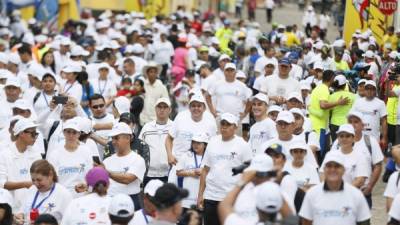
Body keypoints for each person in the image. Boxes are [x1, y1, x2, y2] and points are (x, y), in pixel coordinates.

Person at [198, 113, 252, 225]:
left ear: (235, 127)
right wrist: (200, 195)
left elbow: (249, 172)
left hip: (232, 198)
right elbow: (205, 170)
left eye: (228, 124)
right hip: (211, 196)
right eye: (223, 123)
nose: (224, 127)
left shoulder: (243, 145)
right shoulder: (212, 142)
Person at [299, 151, 371, 225]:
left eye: (337, 166)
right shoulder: (312, 194)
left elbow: (364, 222)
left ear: (343, 170)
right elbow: (306, 221)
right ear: (324, 169)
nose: (333, 169)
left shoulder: (356, 195)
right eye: (329, 166)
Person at [331, 111, 383, 207]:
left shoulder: (370, 141)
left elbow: (378, 165)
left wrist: (370, 187)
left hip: (362, 192)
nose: (352, 124)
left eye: (356, 122)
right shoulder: (337, 143)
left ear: (362, 125)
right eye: (350, 122)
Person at [102, 122, 146, 210]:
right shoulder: (106, 161)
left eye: (116, 138)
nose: (113, 142)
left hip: (131, 201)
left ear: (128, 138)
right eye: (112, 138)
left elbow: (127, 179)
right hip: (110, 201)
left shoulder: (138, 159)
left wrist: (107, 173)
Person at [0, 118, 42, 210]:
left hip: (34, 205)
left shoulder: (36, 152)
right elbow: (2, 184)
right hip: (11, 206)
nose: (35, 137)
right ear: (22, 133)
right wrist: (25, 184)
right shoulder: (4, 155)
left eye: (36, 134)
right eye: (33, 133)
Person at [219, 177, 297, 225]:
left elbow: (224, 205)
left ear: (257, 208)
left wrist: (244, 180)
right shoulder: (291, 223)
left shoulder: (239, 223)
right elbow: (290, 216)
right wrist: (270, 180)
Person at [308, 70, 349, 161]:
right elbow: (323, 105)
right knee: (319, 154)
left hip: (319, 124)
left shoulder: (319, 88)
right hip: (319, 126)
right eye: (334, 78)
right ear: (331, 78)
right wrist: (339, 102)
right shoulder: (324, 89)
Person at [165, 93, 217, 164]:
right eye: (193, 106)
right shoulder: (180, 117)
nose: (196, 108)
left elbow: (214, 145)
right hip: (178, 162)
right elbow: (169, 138)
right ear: (189, 108)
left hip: (200, 166)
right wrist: (170, 155)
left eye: (199, 106)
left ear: (204, 108)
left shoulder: (211, 121)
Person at [16, 160, 72, 224]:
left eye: (39, 180)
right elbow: (22, 211)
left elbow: (70, 221)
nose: (36, 184)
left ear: (50, 175)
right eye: (33, 180)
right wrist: (20, 216)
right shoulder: (31, 189)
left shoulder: (64, 194)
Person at [46, 119, 93, 197]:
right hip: (62, 197)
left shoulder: (86, 151)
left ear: (79, 134)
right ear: (64, 133)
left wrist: (87, 188)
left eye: (74, 132)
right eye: (68, 132)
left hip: (82, 196)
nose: (71, 135)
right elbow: (52, 180)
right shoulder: (54, 154)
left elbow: (90, 176)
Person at [139, 97, 173, 185]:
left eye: (165, 107)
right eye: (159, 107)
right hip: (149, 174)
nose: (162, 110)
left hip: (169, 173)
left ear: (170, 110)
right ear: (155, 109)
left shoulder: (175, 127)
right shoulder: (146, 127)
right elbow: (139, 148)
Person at [176, 133, 208, 210]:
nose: (195, 145)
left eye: (198, 143)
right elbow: (178, 172)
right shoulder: (186, 155)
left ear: (205, 145)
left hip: (204, 196)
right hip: (187, 198)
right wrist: (191, 173)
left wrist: (204, 173)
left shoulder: (209, 156)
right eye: (193, 142)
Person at [352, 80, 388, 145]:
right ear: (364, 90)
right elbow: (351, 118)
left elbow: (384, 121)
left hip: (374, 138)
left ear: (375, 91)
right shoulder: (357, 102)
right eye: (367, 89)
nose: (369, 91)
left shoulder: (380, 103)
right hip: (358, 137)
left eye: (372, 89)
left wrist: (384, 138)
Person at [140, 62, 169, 126]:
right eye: (151, 72)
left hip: (157, 120)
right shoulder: (142, 85)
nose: (153, 74)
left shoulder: (162, 87)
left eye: (154, 72)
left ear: (157, 73)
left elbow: (167, 103)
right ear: (147, 73)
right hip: (143, 119)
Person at [329, 74, 355, 141]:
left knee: (336, 146)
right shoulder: (353, 96)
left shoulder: (331, 96)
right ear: (344, 85)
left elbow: (329, 111)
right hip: (348, 124)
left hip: (334, 124)